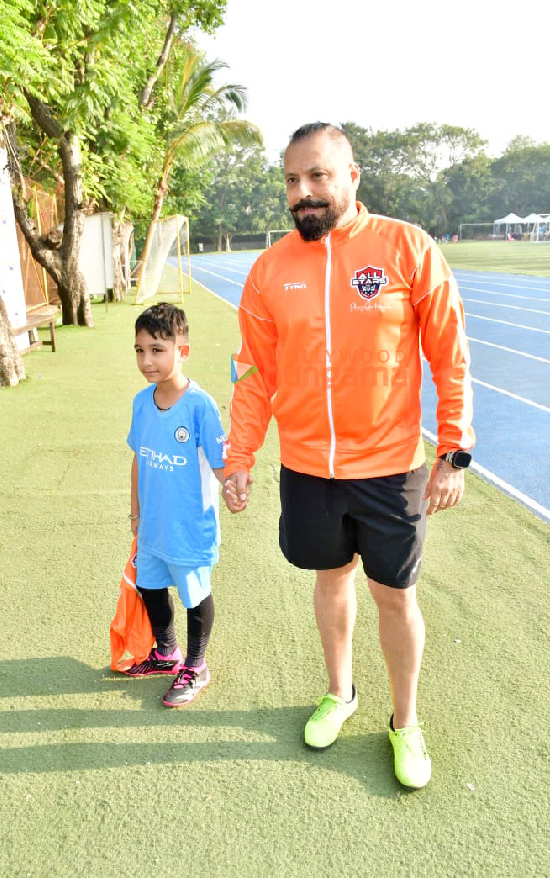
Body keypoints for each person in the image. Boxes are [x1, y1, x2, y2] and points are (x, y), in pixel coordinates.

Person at [222, 122, 474, 788]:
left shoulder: (404, 248)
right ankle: (340, 693)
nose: (302, 192)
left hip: (391, 469)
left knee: (394, 597)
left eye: (317, 177)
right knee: (329, 579)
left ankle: (405, 722)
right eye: (291, 180)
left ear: (351, 177)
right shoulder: (270, 268)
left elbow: (448, 352)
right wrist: (239, 454)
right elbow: (252, 371)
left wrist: (452, 448)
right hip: (308, 469)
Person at [126, 303, 227, 707]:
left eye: (157, 349)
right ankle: (167, 652)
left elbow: (221, 465)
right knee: (150, 587)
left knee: (193, 594)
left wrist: (233, 486)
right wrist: (135, 513)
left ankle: (197, 665)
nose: (147, 360)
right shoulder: (140, 401)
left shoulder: (200, 405)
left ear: (182, 351)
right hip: (152, 524)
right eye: (139, 350)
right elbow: (138, 456)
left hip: (189, 527)